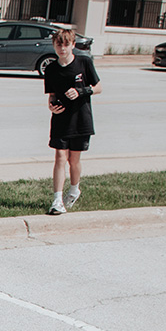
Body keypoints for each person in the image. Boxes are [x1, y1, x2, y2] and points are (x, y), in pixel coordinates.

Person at [43, 28, 101, 216]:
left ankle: (75, 189)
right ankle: (57, 200)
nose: (62, 48)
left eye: (66, 44)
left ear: (73, 45)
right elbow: (51, 94)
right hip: (60, 119)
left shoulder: (84, 62)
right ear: (54, 46)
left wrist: (81, 91)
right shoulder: (51, 69)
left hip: (81, 119)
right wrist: (51, 106)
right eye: (59, 44)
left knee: (73, 160)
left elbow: (98, 87)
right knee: (60, 157)